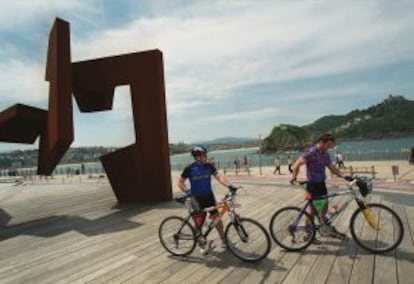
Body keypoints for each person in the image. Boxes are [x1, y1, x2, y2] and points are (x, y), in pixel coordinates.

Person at [290, 134, 352, 242]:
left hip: (321, 183)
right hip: (312, 184)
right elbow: (296, 165)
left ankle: (326, 228)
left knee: (324, 208)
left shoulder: (325, 154)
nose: (330, 147)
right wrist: (294, 178)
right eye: (328, 144)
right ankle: (308, 235)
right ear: (321, 142)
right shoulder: (310, 152)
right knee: (312, 212)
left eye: (331, 145)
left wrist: (344, 175)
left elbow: (332, 168)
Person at [178, 145, 236, 251]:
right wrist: (188, 192)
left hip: (209, 197)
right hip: (196, 199)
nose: (206, 157)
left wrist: (229, 185)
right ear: (198, 157)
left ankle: (223, 239)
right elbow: (180, 182)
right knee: (199, 222)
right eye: (205, 155)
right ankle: (200, 242)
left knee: (217, 219)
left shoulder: (209, 166)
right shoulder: (190, 168)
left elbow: (219, 176)